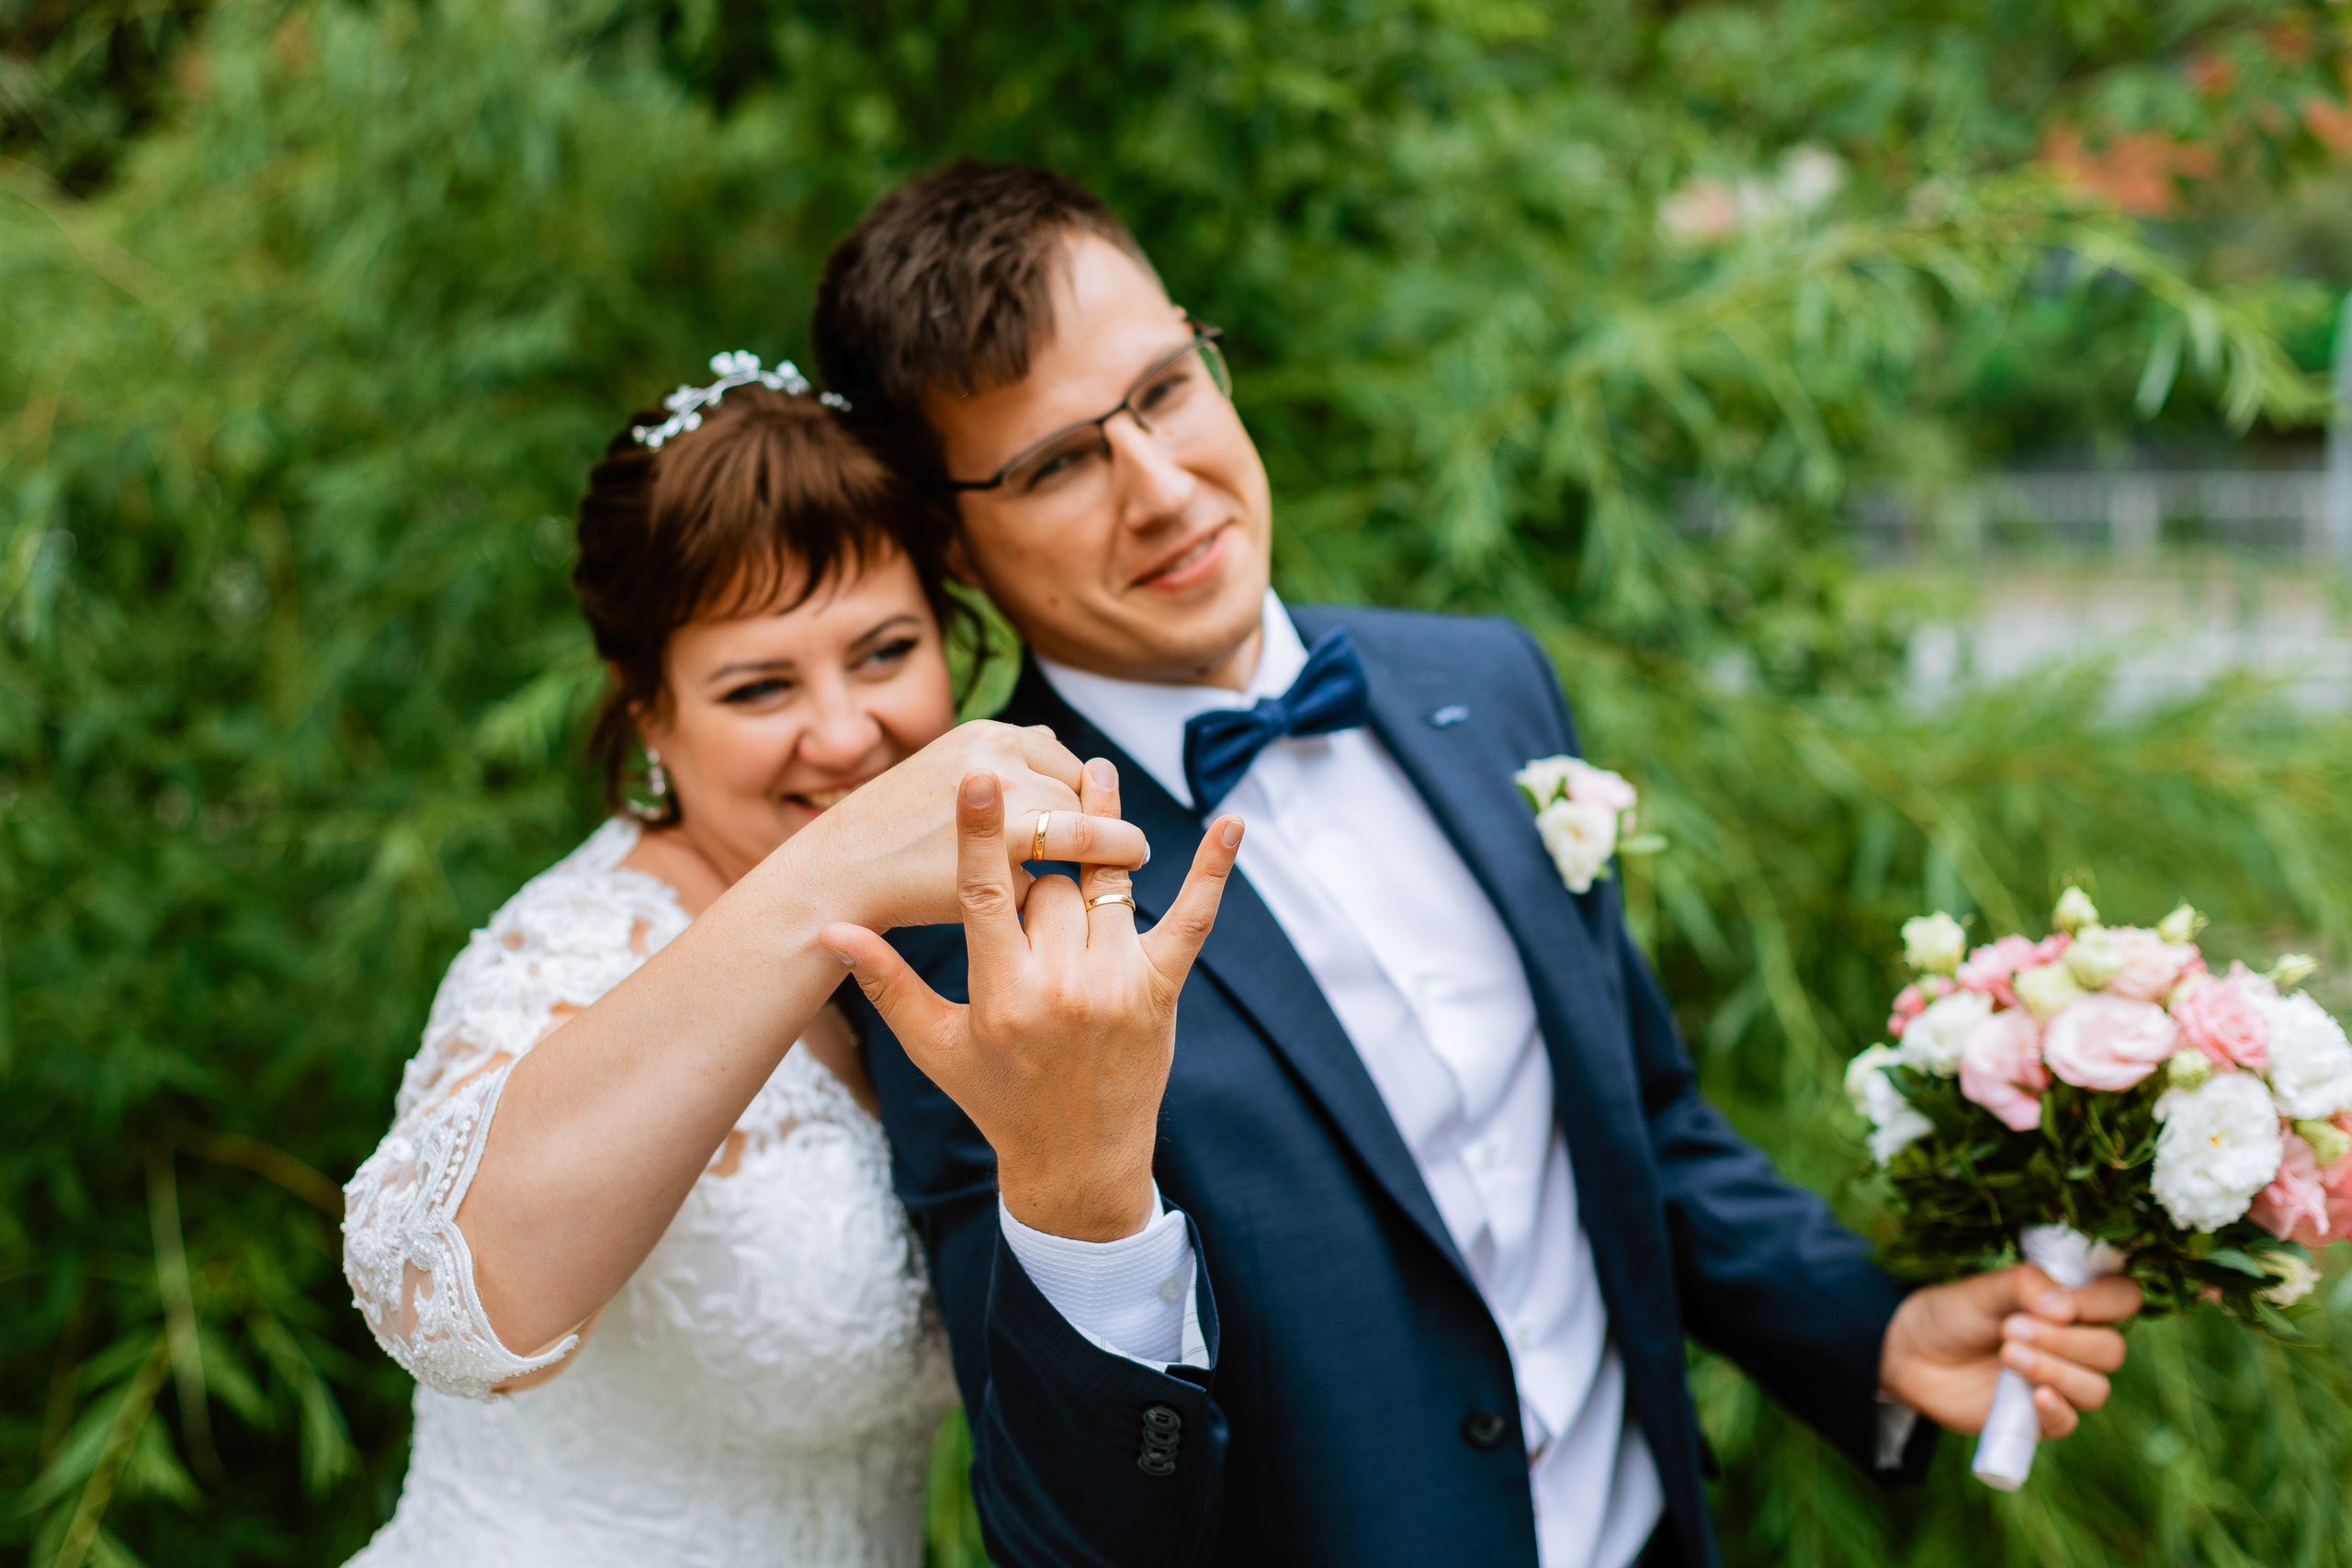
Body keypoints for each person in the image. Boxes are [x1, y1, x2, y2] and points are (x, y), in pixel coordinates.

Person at [808, 161, 2145, 1568]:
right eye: (1056, 464)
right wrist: (1080, 1213)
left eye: (1165, 390)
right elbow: (1059, 1523)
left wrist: (1872, 1331)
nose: (1159, 486)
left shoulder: (1485, 684)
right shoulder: (975, 918)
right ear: (954, 545)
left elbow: (1637, 1122)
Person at [338, 360, 1238, 1566]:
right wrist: (828, 872)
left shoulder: (963, 944)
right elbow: (441, 1308)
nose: (846, 732)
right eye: (760, 686)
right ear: (649, 709)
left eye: (885, 653)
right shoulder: (567, 950)